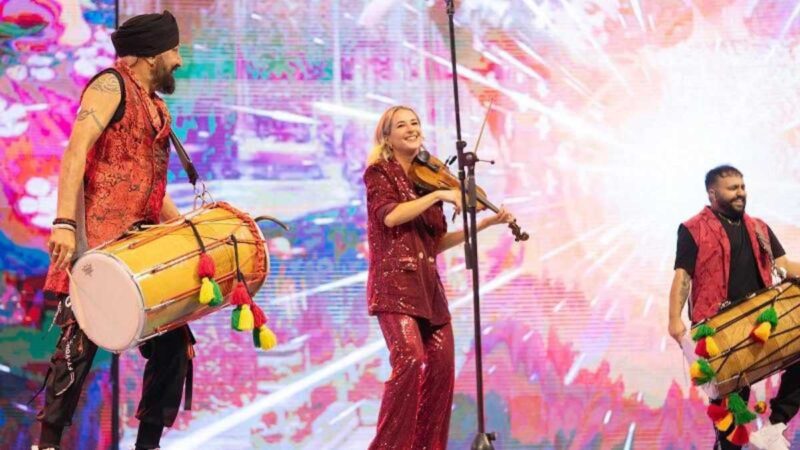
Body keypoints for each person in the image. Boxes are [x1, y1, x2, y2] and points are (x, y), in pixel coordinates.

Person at [34, 11, 192, 450]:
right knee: (77, 350)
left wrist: (191, 232)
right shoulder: (111, 84)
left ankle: (148, 444)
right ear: (152, 54)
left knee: (174, 346)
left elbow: (150, 187)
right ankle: (45, 444)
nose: (179, 60)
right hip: (100, 247)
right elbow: (76, 149)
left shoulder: (156, 105)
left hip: (141, 249)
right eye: (174, 50)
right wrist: (65, 222)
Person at [363, 105, 515, 449]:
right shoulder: (379, 174)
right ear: (387, 137)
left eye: (415, 123)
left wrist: (486, 222)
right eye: (401, 125)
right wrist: (440, 194)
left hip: (429, 290)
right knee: (410, 359)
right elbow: (389, 217)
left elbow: (434, 243)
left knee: (442, 371)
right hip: (394, 287)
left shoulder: (427, 176)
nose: (411, 129)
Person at [668, 165, 800, 450]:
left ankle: (775, 426)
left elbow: (783, 266)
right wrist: (674, 321)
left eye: (742, 186)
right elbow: (683, 277)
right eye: (733, 188)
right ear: (713, 193)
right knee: (731, 430)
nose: (741, 193)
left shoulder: (759, 227)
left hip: (763, 325)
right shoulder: (693, 229)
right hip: (720, 334)